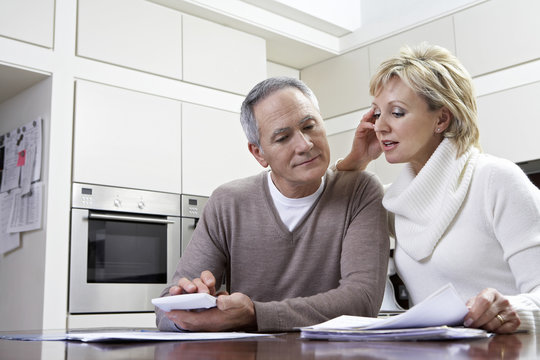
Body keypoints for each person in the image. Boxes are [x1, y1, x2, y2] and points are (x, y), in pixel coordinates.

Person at [155, 77, 390, 332]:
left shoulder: (360, 190)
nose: (305, 144)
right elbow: (166, 310)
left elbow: (362, 300)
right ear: (258, 153)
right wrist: (191, 308)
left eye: (310, 126)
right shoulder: (227, 203)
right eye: (282, 137)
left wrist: (255, 315)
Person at [337, 43, 540, 333]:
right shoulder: (394, 201)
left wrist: (510, 309)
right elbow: (332, 217)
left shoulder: (496, 180)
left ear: (441, 119)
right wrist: (356, 160)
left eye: (396, 112)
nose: (380, 126)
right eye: (376, 113)